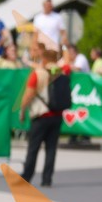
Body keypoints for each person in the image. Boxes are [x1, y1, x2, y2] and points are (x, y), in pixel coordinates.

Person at [19, 49, 70, 187]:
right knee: (51, 148)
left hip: (41, 115)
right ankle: (47, 179)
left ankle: (26, 176)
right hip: (57, 115)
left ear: (44, 59)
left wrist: (22, 110)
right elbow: (68, 61)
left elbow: (29, 94)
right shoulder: (62, 73)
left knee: (33, 148)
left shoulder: (38, 74)